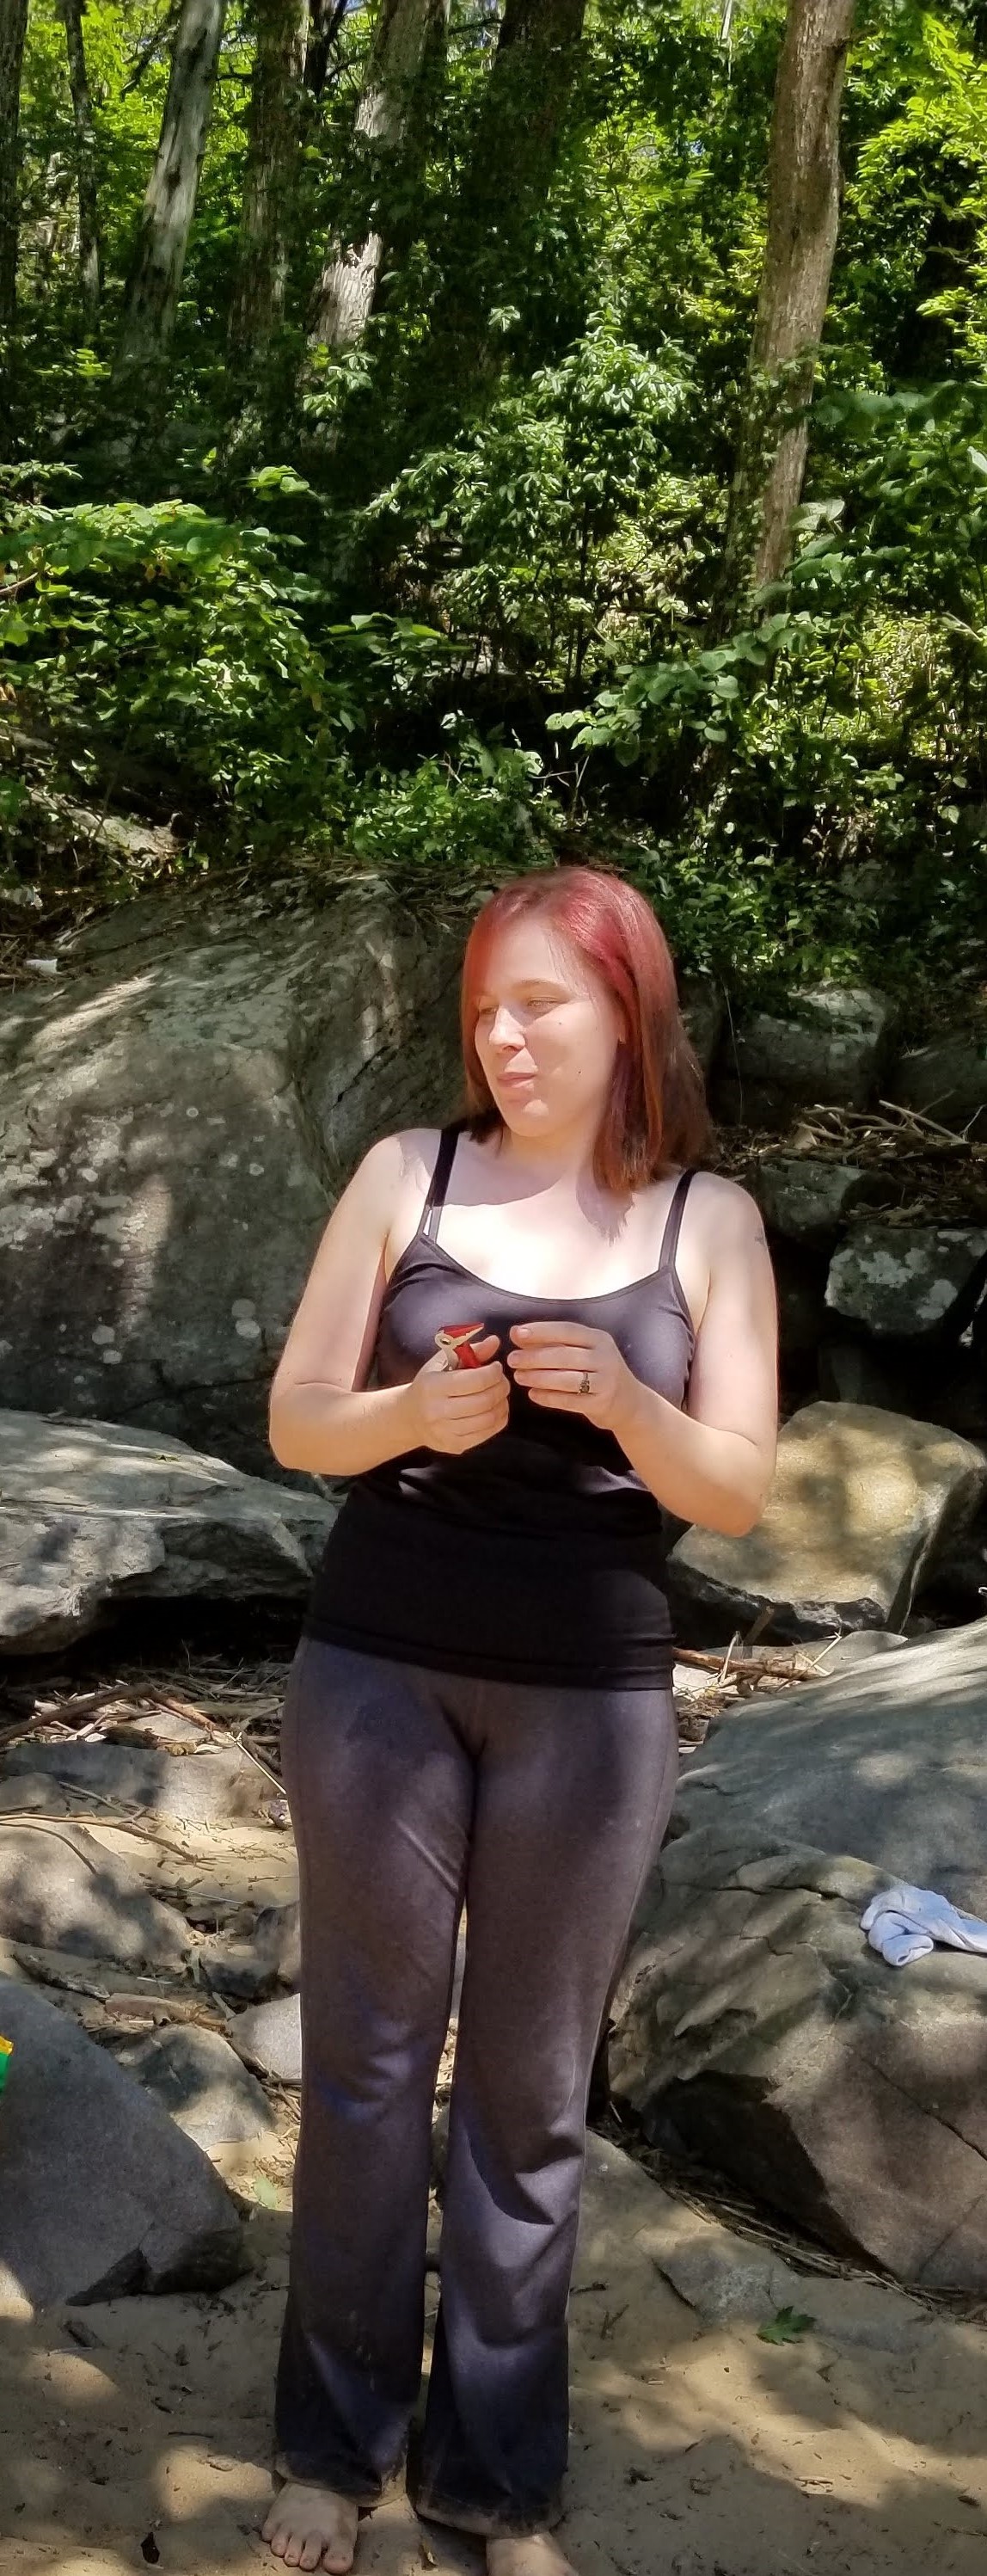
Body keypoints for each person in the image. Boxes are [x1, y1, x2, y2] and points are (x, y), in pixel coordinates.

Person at [262, 865, 777, 2576]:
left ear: (627, 1012)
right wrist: (414, 1410)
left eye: (540, 1002)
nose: (504, 1036)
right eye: (485, 1006)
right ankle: (331, 2450)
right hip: (376, 1671)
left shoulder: (707, 1220)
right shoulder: (404, 1175)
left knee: (531, 2099)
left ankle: (492, 2483)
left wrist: (626, 1400)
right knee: (365, 2069)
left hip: (592, 1699)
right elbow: (299, 1423)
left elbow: (738, 1489)